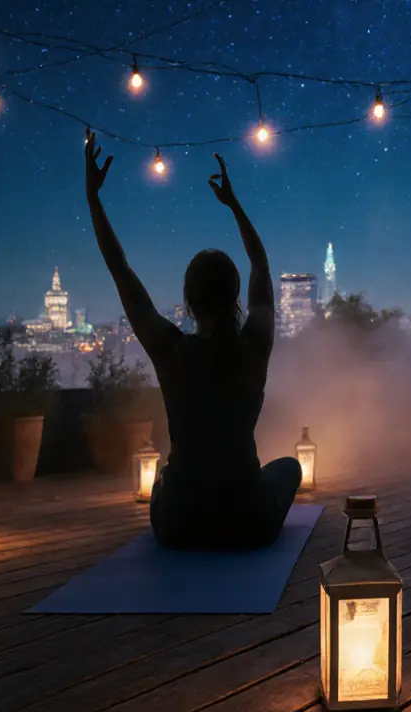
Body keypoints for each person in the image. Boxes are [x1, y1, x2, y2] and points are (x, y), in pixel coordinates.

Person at [84, 133, 300, 550]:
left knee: (166, 479)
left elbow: (119, 268)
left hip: (179, 522)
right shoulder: (254, 344)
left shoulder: (170, 350)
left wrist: (93, 198)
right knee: (288, 466)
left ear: (189, 300)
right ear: (235, 297)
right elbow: (260, 264)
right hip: (247, 521)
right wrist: (234, 205)